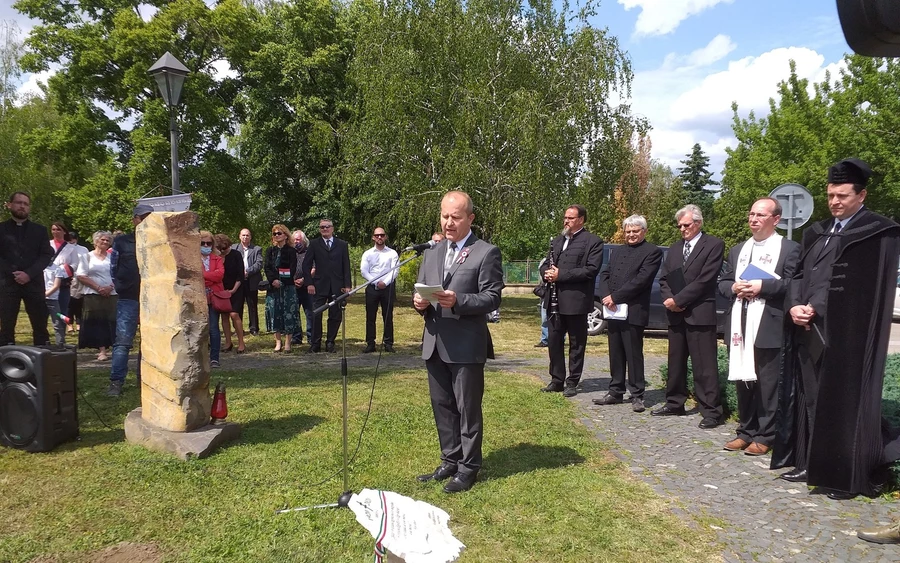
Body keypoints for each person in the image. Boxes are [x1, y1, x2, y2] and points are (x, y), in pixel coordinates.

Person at [774, 158, 900, 500]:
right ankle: (812, 463)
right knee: (813, 400)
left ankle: (845, 475)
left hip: (850, 337)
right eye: (830, 195)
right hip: (810, 332)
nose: (834, 202)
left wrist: (820, 307)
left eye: (842, 195)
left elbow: (870, 290)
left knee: (845, 406)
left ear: (862, 195)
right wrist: (795, 305)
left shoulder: (878, 231)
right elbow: (798, 276)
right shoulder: (817, 232)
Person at [413, 191, 503, 493]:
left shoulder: (486, 252)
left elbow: (492, 297)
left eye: (456, 217)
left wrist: (459, 300)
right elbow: (424, 289)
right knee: (442, 406)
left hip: (466, 344)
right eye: (444, 216)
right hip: (435, 340)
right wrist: (419, 303)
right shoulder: (432, 251)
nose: (448, 222)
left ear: (470, 218)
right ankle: (449, 460)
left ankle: (469, 467)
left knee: (467, 408)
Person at [717, 198, 800, 454]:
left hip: (769, 324)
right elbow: (723, 282)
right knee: (744, 380)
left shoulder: (789, 249)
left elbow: (793, 284)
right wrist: (733, 287)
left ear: (776, 219)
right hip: (739, 324)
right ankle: (745, 430)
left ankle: (766, 435)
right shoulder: (738, 249)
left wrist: (762, 287)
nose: (753, 219)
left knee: (767, 383)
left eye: (760, 215)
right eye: (751, 214)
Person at [654, 204, 725, 429]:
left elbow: (706, 280)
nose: (682, 229)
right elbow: (664, 278)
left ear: (698, 223)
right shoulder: (675, 249)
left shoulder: (713, 245)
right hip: (675, 315)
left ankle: (711, 411)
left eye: (686, 225)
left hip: (699, 313)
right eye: (680, 226)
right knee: (675, 362)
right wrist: (669, 300)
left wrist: (679, 300)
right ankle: (675, 402)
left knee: (704, 365)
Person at [593, 215, 663, 413]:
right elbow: (605, 274)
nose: (631, 234)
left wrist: (615, 296)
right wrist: (606, 295)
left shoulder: (652, 252)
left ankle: (637, 395)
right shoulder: (617, 251)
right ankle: (615, 391)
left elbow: (642, 280)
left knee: (633, 354)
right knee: (615, 352)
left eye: (635, 231)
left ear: (644, 231)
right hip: (613, 310)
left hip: (633, 310)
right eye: (628, 231)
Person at [539, 204, 604, 398]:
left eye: (570, 218)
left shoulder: (593, 241)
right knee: (554, 341)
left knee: (576, 343)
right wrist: (547, 273)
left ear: (581, 220)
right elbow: (545, 264)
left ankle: (572, 381)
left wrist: (561, 275)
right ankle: (556, 379)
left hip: (576, 301)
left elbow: (591, 270)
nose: (566, 221)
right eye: (565, 217)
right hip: (554, 299)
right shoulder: (558, 241)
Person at [107, 204, 152, 397]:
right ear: (134, 220)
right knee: (123, 342)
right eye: (143, 218)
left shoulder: (158, 241)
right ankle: (116, 382)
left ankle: (145, 380)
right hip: (128, 297)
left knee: (150, 341)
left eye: (150, 218)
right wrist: (119, 285)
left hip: (152, 298)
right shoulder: (122, 242)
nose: (146, 222)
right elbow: (113, 266)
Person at [0, 192, 53, 346]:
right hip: (7, 284)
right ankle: (6, 364)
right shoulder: (1, 229)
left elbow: (45, 255)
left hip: (34, 283)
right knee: (7, 325)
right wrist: (13, 273)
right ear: (9, 205)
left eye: (26, 203)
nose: (22, 206)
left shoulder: (40, 230)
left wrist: (28, 274)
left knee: (40, 324)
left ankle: (42, 362)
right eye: (18, 202)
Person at [302, 218, 351, 353]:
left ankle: (330, 342)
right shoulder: (314, 244)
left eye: (327, 227)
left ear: (332, 228)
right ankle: (315, 343)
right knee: (316, 314)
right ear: (319, 229)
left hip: (337, 286)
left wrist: (347, 285)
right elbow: (306, 266)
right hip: (319, 285)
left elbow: (346, 265)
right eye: (322, 227)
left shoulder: (342, 245)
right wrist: (309, 283)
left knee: (335, 315)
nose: (325, 229)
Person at [76, 231, 117, 361]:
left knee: (112, 321)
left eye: (107, 240)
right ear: (96, 241)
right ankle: (102, 350)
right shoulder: (86, 257)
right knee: (98, 322)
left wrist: (110, 287)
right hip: (93, 294)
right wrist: (99, 288)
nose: (105, 242)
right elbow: (81, 276)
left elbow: (118, 274)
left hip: (112, 294)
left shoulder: (113, 257)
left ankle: (115, 348)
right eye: (103, 240)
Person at [360, 227, 399, 353]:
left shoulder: (392, 253)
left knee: (387, 316)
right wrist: (377, 282)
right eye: (377, 235)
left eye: (382, 235)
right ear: (373, 237)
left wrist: (385, 282)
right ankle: (370, 343)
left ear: (385, 237)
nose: (379, 237)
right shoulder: (368, 253)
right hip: (372, 287)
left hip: (388, 288)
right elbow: (364, 271)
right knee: (370, 317)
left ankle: (388, 343)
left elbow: (395, 270)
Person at [264, 224, 300, 353]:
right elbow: (267, 267)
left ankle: (288, 343)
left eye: (279, 233)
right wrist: (273, 280)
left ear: (285, 235)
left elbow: (292, 268)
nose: (277, 236)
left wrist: (282, 281)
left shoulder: (291, 251)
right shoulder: (270, 251)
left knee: (288, 314)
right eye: (275, 234)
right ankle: (278, 342)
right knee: (275, 313)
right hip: (273, 288)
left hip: (288, 287)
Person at [216, 234, 246, 354]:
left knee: (234, 314)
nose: (223, 251)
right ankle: (228, 342)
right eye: (221, 249)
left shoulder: (236, 255)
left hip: (236, 289)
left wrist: (233, 290)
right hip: (221, 290)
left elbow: (240, 275)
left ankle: (241, 343)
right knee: (224, 316)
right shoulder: (216, 257)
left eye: (225, 248)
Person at [232, 228, 263, 336]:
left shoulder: (257, 249)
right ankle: (238, 329)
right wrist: (239, 273)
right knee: (238, 305)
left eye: (247, 235)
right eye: (243, 235)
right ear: (239, 236)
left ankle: (254, 328)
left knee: (252, 305)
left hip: (251, 281)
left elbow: (259, 264)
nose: (245, 237)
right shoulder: (234, 248)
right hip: (238, 282)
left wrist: (248, 271)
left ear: (250, 237)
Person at [200, 231, 223, 368]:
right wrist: (210, 276)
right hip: (198, 297)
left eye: (209, 243)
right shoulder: (193, 259)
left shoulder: (217, 258)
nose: (206, 245)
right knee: (201, 329)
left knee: (214, 328)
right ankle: (200, 358)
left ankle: (214, 358)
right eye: (203, 243)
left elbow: (220, 275)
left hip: (215, 297)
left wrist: (204, 275)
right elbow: (194, 276)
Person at [290, 230, 313, 347]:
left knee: (310, 313)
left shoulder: (310, 252)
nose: (295, 242)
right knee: (294, 313)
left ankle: (311, 337)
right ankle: (296, 337)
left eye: (298, 239)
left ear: (303, 240)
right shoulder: (290, 253)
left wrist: (304, 279)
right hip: (293, 286)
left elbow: (314, 268)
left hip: (307, 286)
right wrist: (292, 281)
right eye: (294, 239)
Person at [64, 230, 89, 334]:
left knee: (79, 303)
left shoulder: (83, 249)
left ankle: (79, 323)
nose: (71, 242)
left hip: (81, 278)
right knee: (69, 303)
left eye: (73, 240)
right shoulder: (64, 249)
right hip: (69, 278)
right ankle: (69, 324)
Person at [43, 260, 67, 347]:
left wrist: (45, 294)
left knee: (57, 322)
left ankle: (60, 343)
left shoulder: (57, 269)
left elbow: (56, 285)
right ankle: (43, 343)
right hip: (40, 299)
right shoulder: (39, 267)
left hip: (53, 299)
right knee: (41, 323)